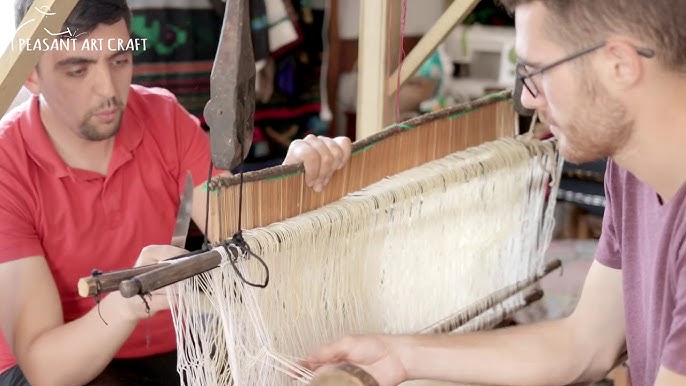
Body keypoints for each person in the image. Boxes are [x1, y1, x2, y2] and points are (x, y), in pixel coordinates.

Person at [304, 1, 686, 386]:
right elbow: (584, 343)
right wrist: (400, 357)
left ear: (619, 64)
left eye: (538, 71)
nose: (527, 99)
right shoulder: (630, 173)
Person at [0, 0, 351, 385]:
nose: (107, 90)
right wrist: (125, 303)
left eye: (119, 61)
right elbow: (45, 369)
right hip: (67, 363)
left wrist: (294, 176)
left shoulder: (162, 117)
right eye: (77, 69)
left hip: (176, 347)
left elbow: (241, 229)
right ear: (31, 76)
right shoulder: (7, 163)